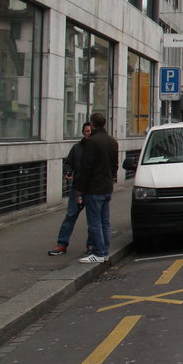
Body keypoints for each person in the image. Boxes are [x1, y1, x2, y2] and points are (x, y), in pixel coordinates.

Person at [73, 111, 119, 264]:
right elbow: (115, 165)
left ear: (92, 124)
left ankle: (98, 252)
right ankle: (104, 251)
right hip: (106, 187)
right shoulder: (112, 141)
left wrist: (80, 188)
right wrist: (109, 178)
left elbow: (86, 167)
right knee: (105, 221)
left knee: (95, 223)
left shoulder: (91, 142)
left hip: (94, 188)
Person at [47, 122, 94, 256]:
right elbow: (69, 162)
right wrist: (68, 172)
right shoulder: (76, 148)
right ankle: (61, 244)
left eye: (90, 131)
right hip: (77, 187)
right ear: (83, 133)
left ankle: (91, 245)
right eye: (86, 131)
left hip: (92, 188)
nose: (88, 133)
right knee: (70, 215)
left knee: (92, 218)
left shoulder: (96, 148)